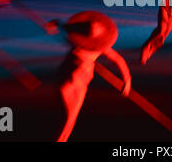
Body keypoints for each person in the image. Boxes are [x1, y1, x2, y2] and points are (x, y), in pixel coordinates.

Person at [51, 11, 131, 142]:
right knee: (69, 119)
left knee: (67, 119)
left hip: (69, 77)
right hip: (74, 80)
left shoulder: (77, 39)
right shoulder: (99, 48)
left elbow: (59, 24)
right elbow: (118, 60)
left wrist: (127, 80)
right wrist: (127, 81)